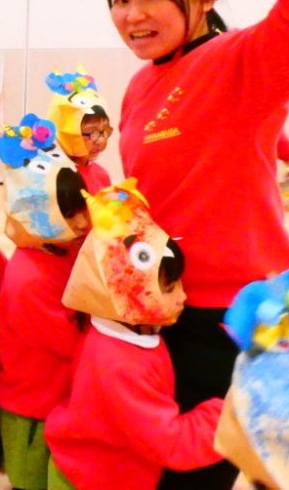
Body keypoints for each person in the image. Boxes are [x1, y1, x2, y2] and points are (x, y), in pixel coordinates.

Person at [108, 0, 289, 489]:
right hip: (162, 300)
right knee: (159, 458)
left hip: (231, 314)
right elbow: (196, 151)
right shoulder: (142, 81)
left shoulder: (238, 59)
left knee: (198, 469)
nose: (133, 14)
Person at [45, 182, 223, 490]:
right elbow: (172, 444)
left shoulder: (115, 325)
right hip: (97, 480)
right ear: (130, 293)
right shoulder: (123, 365)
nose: (182, 296)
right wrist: (228, 412)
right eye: (169, 288)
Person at [0, 115, 91, 490]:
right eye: (69, 215)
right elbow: (68, 341)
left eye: (82, 208)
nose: (83, 222)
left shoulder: (61, 249)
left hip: (51, 392)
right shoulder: (31, 277)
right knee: (30, 478)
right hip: (33, 401)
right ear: (39, 216)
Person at [44, 69, 113, 194]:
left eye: (104, 130)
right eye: (91, 133)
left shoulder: (101, 175)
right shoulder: (51, 178)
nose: (101, 140)